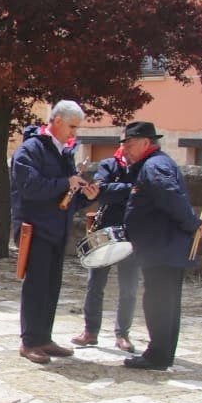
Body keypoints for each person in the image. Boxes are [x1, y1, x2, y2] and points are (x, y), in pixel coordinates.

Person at [10, 99, 99, 365]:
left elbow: (66, 195)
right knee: (36, 286)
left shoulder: (64, 153)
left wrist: (86, 196)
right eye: (71, 126)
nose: (74, 133)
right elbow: (30, 187)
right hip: (35, 227)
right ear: (57, 121)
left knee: (51, 286)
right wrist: (65, 181)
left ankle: (44, 337)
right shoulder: (30, 149)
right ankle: (29, 341)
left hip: (57, 227)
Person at [119, 121, 202, 370]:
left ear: (146, 143)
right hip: (159, 245)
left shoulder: (155, 165)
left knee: (160, 301)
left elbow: (170, 196)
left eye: (130, 144)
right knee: (163, 301)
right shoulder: (152, 164)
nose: (125, 150)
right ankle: (162, 353)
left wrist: (193, 224)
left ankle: (158, 355)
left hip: (163, 246)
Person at [73, 144, 141, 353]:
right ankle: (90, 331)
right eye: (125, 145)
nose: (128, 150)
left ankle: (123, 334)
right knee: (95, 284)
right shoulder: (109, 165)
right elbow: (101, 191)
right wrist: (127, 190)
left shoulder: (144, 167)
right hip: (106, 231)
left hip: (133, 231)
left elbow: (142, 193)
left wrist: (114, 191)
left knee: (128, 287)